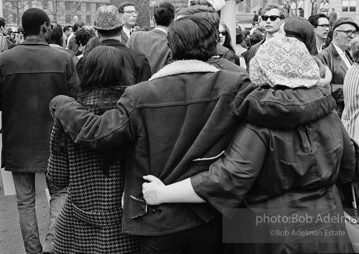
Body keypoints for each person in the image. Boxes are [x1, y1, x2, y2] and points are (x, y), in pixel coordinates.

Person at [50, 15, 337, 254]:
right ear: (214, 46)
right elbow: (284, 108)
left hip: (155, 218)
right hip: (210, 214)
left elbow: (98, 134)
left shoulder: (139, 95)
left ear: (170, 48)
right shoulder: (234, 85)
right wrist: (324, 97)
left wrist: (62, 103)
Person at [142, 35, 355, 254]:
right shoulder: (329, 112)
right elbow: (348, 168)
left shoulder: (261, 121)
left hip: (270, 231)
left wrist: (163, 193)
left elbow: (227, 179)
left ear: (262, 70)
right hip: (328, 224)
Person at [0, 8, 79, 254]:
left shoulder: (4, 60)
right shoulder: (64, 59)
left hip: (18, 139)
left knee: (24, 202)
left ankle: (33, 251)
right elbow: (76, 100)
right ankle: (52, 244)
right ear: (45, 27)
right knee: (60, 193)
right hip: (56, 139)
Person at [47, 45, 140, 254]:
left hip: (76, 227)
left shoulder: (67, 115)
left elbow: (58, 177)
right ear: (125, 73)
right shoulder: (134, 114)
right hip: (127, 227)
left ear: (85, 73)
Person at [93, 5, 151, 84]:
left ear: (97, 32)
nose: (134, 15)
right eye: (129, 12)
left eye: (134, 12)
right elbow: (145, 91)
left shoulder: (85, 61)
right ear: (121, 30)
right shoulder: (138, 59)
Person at [318, 17, 359, 117]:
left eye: (354, 33)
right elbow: (322, 88)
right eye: (348, 32)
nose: (352, 36)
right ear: (335, 34)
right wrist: (354, 90)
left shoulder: (348, 54)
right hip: (336, 114)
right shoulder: (324, 56)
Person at [127, 1, 174, 74]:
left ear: (153, 19)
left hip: (135, 84)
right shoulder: (173, 43)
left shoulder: (135, 37)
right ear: (172, 20)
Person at [242, 4, 287, 70]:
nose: (268, 21)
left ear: (282, 21)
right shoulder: (253, 50)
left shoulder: (290, 47)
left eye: (273, 18)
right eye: (265, 18)